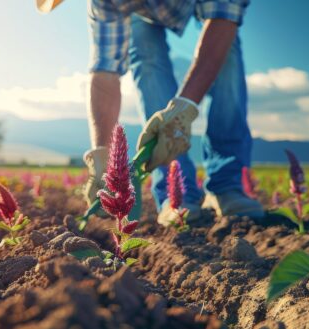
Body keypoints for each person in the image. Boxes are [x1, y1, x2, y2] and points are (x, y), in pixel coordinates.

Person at [37, 0, 264, 224]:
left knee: (228, 50)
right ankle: (177, 196)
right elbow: (105, 69)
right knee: (146, 56)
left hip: (215, 11)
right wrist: (102, 154)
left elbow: (223, 17)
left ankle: (226, 186)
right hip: (142, 16)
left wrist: (184, 108)